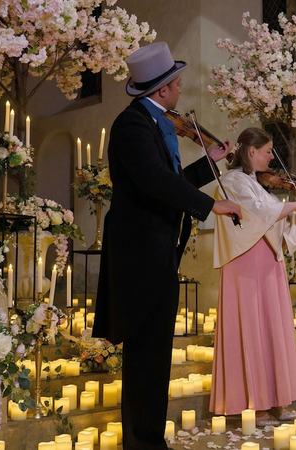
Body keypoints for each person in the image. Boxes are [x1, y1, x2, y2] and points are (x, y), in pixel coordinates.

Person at [91, 42, 241, 449]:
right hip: (140, 260)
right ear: (162, 90)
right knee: (145, 358)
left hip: (158, 256)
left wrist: (209, 161)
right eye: (176, 84)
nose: (180, 89)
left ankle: (150, 442)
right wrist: (212, 205)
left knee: (155, 357)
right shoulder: (132, 125)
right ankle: (142, 443)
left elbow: (171, 180)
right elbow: (155, 181)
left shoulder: (154, 122)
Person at [210, 127, 296, 426]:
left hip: (268, 259)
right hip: (246, 261)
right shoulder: (233, 180)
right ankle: (255, 404)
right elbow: (257, 212)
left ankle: (275, 399)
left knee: (272, 327)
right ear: (251, 152)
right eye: (267, 151)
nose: (272, 157)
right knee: (251, 328)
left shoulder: (255, 183)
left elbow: (273, 216)